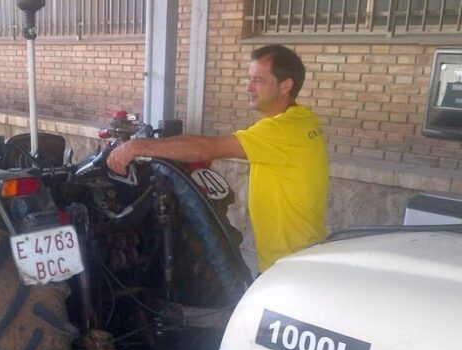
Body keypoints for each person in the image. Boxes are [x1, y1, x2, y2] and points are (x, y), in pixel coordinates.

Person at [107, 44, 328, 272]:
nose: (248, 88)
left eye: (258, 81)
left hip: (290, 266)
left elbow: (206, 148)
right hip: (300, 255)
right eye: (249, 79)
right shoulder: (302, 120)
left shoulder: (281, 130)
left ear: (286, 86)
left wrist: (136, 146)